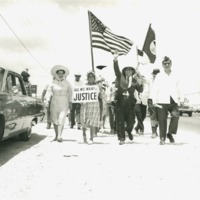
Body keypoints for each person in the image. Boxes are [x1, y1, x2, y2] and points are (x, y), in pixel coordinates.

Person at [113, 50, 144, 145]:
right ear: (124, 71)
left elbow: (140, 90)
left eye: (130, 70)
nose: (128, 71)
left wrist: (140, 81)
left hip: (130, 102)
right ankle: (121, 138)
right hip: (120, 101)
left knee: (131, 121)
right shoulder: (120, 77)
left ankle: (129, 130)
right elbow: (116, 69)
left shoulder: (134, 80)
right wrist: (115, 59)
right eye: (127, 70)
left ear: (132, 71)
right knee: (120, 120)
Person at [152, 56, 184, 145]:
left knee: (176, 116)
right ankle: (162, 138)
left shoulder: (175, 75)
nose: (167, 65)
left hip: (173, 100)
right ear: (162, 65)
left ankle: (170, 133)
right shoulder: (159, 76)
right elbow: (155, 88)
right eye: (165, 63)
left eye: (168, 63)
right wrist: (154, 100)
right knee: (162, 120)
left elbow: (179, 87)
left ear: (171, 64)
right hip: (161, 101)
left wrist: (181, 98)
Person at [45, 65, 72, 142]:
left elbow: (70, 93)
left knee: (62, 118)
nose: (60, 75)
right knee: (54, 119)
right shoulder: (52, 83)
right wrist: (47, 101)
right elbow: (48, 92)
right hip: (54, 101)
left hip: (64, 101)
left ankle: (60, 135)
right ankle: (56, 135)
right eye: (59, 73)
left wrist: (70, 102)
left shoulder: (67, 83)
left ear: (64, 74)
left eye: (62, 73)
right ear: (56, 74)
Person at [80, 71, 103, 144]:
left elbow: (101, 97)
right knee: (84, 120)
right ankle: (84, 135)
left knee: (92, 122)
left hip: (94, 105)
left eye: (92, 77)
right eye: (89, 77)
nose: (90, 78)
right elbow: (79, 96)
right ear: (87, 78)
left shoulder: (98, 86)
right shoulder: (84, 86)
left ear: (94, 78)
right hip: (85, 105)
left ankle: (91, 138)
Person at [147, 69, 160, 138]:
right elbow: (143, 81)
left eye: (156, 75)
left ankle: (156, 130)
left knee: (158, 117)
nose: (155, 76)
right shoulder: (150, 80)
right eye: (154, 75)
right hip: (151, 100)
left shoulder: (162, 81)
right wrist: (138, 74)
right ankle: (154, 132)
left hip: (160, 100)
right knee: (153, 116)